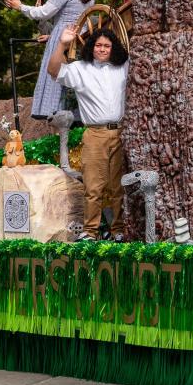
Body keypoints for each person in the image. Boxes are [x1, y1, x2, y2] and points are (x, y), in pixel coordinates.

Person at [49, 24, 129, 240]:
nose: (103, 49)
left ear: (114, 48)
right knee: (93, 186)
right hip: (95, 134)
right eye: (99, 45)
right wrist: (62, 44)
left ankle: (118, 230)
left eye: (107, 45)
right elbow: (54, 70)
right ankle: (91, 231)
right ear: (92, 47)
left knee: (118, 186)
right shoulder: (80, 69)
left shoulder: (122, 67)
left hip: (120, 133)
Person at [3, 0, 95, 120]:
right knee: (72, 77)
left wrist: (20, 6)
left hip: (63, 39)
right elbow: (73, 21)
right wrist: (51, 34)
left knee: (56, 74)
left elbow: (43, 12)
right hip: (79, 40)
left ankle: (55, 113)